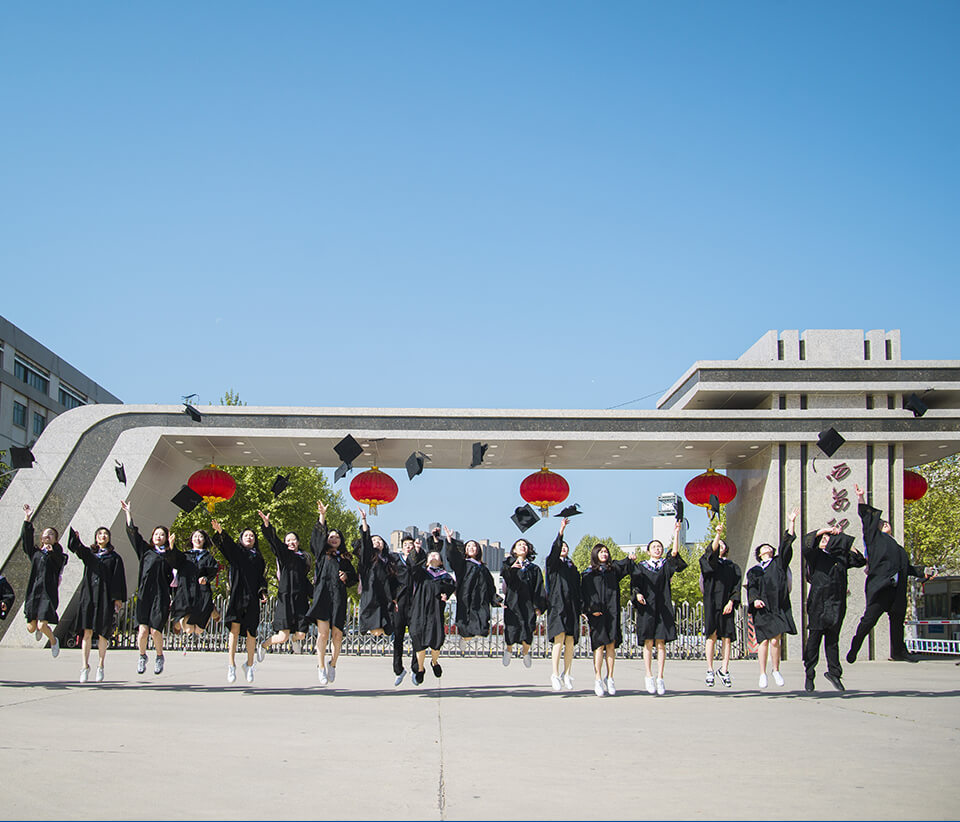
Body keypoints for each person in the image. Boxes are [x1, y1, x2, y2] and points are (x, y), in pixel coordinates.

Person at [847, 485, 933, 664]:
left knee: (897, 620)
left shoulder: (899, 549)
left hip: (897, 589)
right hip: (881, 587)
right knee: (869, 620)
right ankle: (855, 646)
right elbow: (866, 518)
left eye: (887, 522)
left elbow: (907, 568)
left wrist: (924, 571)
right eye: (881, 523)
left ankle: (899, 652)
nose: (885, 523)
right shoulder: (875, 539)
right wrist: (861, 497)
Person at [802, 523, 865, 691]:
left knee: (832, 640)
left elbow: (860, 561)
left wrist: (845, 542)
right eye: (822, 539)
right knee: (814, 640)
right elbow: (807, 543)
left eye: (828, 539)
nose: (825, 541)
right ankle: (809, 673)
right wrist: (825, 530)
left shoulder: (841, 557)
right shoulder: (815, 555)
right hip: (818, 603)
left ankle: (834, 673)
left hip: (836, 603)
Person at [305, 499, 358, 685]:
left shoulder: (345, 559)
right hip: (322, 595)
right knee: (323, 634)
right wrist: (322, 516)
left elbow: (354, 578)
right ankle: (320, 666)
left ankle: (333, 663)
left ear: (341, 541)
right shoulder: (321, 554)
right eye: (331, 536)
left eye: (337, 537)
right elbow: (317, 539)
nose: (334, 539)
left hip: (338, 598)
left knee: (337, 634)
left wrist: (346, 576)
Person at [746, 506, 799, 688]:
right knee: (762, 641)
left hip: (777, 606)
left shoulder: (778, 563)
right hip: (762, 609)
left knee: (775, 640)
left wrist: (791, 522)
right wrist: (754, 600)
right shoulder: (754, 571)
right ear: (759, 554)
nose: (767, 548)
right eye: (764, 548)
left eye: (769, 547)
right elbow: (751, 587)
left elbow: (786, 545)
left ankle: (775, 670)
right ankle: (762, 673)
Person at [67, 526, 127, 683]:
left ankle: (100, 665)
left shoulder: (114, 558)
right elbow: (77, 549)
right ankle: (84, 666)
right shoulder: (90, 555)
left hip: (105, 598)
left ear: (109, 538)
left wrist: (117, 599)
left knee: (103, 633)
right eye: (100, 534)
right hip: (89, 597)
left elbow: (118, 579)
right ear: (96, 537)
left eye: (106, 534)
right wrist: (76, 538)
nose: (103, 536)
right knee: (87, 632)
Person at [632, 521, 685, 695]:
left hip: (663, 607)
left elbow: (674, 554)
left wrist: (676, 532)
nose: (657, 549)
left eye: (659, 547)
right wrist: (638, 594)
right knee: (648, 642)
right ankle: (649, 675)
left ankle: (660, 677)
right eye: (654, 547)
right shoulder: (641, 567)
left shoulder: (665, 566)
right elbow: (635, 584)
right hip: (647, 608)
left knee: (661, 643)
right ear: (648, 551)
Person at [211, 519, 267, 684]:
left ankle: (249, 665)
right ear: (241, 539)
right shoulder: (236, 553)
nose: (249, 538)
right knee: (234, 630)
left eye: (252, 536)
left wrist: (263, 591)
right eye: (246, 535)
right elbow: (228, 545)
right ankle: (231, 664)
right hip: (237, 596)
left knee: (251, 632)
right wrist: (221, 532)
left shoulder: (259, 558)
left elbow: (261, 578)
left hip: (252, 598)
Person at [121, 500, 173, 675]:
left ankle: (159, 656)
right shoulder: (146, 551)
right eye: (156, 534)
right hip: (145, 595)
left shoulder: (170, 555)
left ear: (166, 538)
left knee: (155, 630)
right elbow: (133, 535)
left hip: (161, 596)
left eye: (162, 534)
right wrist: (128, 513)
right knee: (143, 631)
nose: (159, 536)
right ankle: (142, 656)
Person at [580, 543, 635, 697]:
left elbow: (625, 564)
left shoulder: (613, 571)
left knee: (611, 645)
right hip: (596, 614)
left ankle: (610, 677)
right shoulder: (588, 574)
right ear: (595, 554)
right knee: (599, 646)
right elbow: (583, 594)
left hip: (612, 612)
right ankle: (597, 678)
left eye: (606, 551)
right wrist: (587, 610)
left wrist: (630, 558)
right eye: (601, 552)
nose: (604, 554)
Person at [433, 525, 500, 645]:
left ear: (478, 550)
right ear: (465, 550)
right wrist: (449, 540)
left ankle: (471, 640)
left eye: (474, 546)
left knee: (482, 624)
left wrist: (496, 600)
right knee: (466, 625)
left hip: (481, 600)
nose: (471, 548)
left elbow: (491, 586)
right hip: (466, 598)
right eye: (468, 546)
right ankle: (464, 638)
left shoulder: (483, 568)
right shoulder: (462, 564)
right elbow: (453, 557)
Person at [257, 511, 311, 657]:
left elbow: (305, 580)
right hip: (285, 599)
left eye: (294, 540)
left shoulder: (304, 558)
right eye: (288, 540)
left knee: (301, 634)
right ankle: (264, 645)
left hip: (300, 600)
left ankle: (295, 640)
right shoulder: (284, 555)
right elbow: (274, 541)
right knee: (282, 637)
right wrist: (267, 525)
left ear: (298, 542)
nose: (291, 542)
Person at [21, 504, 67, 658]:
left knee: (42, 625)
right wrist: (27, 519)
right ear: (41, 538)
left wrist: (53, 552)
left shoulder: (58, 555)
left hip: (47, 594)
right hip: (34, 592)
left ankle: (53, 641)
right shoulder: (36, 553)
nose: (48, 536)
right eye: (45, 534)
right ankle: (39, 627)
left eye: (51, 534)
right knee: (31, 628)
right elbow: (26, 541)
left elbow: (60, 562)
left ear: (55, 539)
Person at [408, 541, 456, 685]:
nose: (434, 556)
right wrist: (417, 549)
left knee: (436, 640)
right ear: (426, 560)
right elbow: (413, 566)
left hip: (435, 612)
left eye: (437, 555)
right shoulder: (421, 573)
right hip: (419, 611)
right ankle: (420, 668)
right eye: (431, 555)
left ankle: (434, 662)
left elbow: (450, 588)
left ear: (441, 562)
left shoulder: (445, 576)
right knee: (419, 639)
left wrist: (446, 595)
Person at [700, 522, 742, 688]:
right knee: (711, 635)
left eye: (723, 544)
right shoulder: (707, 561)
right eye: (718, 544)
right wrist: (718, 534)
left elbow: (736, 586)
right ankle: (710, 669)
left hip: (727, 603)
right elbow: (712, 555)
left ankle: (724, 669)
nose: (720, 546)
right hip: (712, 602)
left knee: (727, 637)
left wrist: (731, 601)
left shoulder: (733, 566)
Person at [545, 518, 581, 692]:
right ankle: (555, 673)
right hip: (557, 605)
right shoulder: (553, 564)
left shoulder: (572, 567)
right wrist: (561, 531)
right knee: (558, 638)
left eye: (566, 546)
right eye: (562, 546)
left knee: (570, 640)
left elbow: (578, 588)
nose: (564, 548)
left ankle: (567, 673)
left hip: (571, 606)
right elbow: (554, 552)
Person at [501, 538, 548, 669]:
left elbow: (539, 588)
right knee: (511, 630)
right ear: (514, 550)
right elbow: (505, 580)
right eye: (519, 545)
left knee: (528, 631)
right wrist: (511, 570)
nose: (522, 546)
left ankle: (526, 652)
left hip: (528, 606)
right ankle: (508, 650)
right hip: (512, 604)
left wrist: (538, 606)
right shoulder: (508, 565)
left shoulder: (534, 569)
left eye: (525, 545)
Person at [166, 528, 220, 643]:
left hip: (201, 592)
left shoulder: (208, 557)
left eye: (200, 537)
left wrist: (206, 578)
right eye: (195, 536)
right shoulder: (185, 556)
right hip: (186, 591)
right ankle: (177, 622)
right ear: (191, 540)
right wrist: (171, 545)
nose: (197, 539)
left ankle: (210, 608)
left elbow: (213, 571)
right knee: (189, 629)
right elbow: (173, 560)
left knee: (199, 630)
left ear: (204, 540)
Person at [354, 509, 394, 638]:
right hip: (371, 594)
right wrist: (364, 520)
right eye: (374, 540)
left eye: (380, 540)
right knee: (376, 631)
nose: (377, 541)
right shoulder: (368, 557)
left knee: (385, 630)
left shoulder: (389, 560)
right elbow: (365, 541)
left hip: (385, 596)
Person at [388, 533, 420, 686]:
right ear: (402, 547)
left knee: (416, 637)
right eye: (406, 545)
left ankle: (416, 669)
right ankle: (399, 670)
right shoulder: (396, 560)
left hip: (414, 603)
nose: (408, 547)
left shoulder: (418, 561)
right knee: (398, 638)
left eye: (410, 545)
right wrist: (393, 597)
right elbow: (390, 580)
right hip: (399, 603)